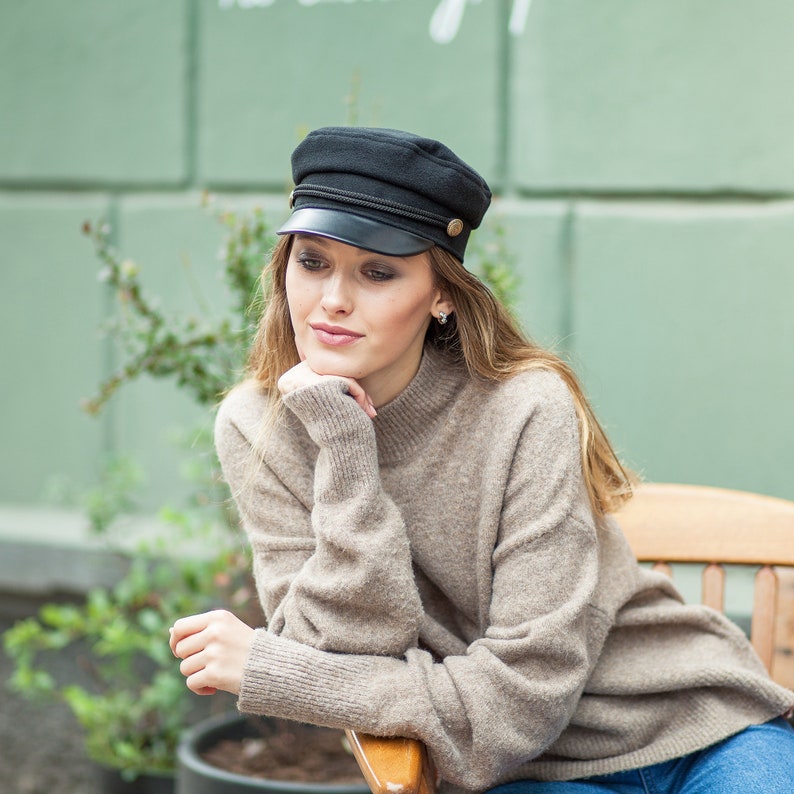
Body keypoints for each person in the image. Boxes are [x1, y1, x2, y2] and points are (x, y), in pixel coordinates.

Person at [169, 127, 794, 793]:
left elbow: (521, 697)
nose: (332, 301)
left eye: (378, 271)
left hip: (696, 731)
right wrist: (344, 446)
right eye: (313, 262)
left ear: (442, 294)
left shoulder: (524, 407)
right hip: (525, 774)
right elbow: (345, 651)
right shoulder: (255, 425)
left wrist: (278, 674)